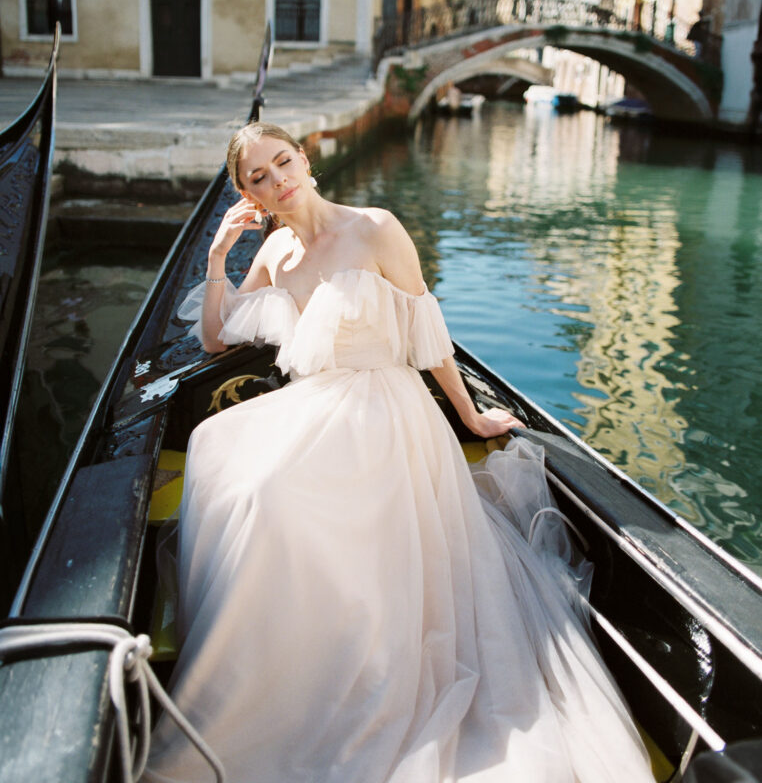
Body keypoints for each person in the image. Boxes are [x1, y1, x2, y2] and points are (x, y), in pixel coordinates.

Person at [143, 122, 655, 783]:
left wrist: (469, 415)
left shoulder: (375, 228)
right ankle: (265, 676)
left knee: (269, 493)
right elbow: (215, 342)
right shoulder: (274, 254)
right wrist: (218, 259)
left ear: (306, 160)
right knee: (217, 451)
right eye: (257, 178)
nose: (277, 179)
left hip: (385, 409)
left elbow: (427, 330)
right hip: (315, 406)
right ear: (249, 194)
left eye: (283, 161)